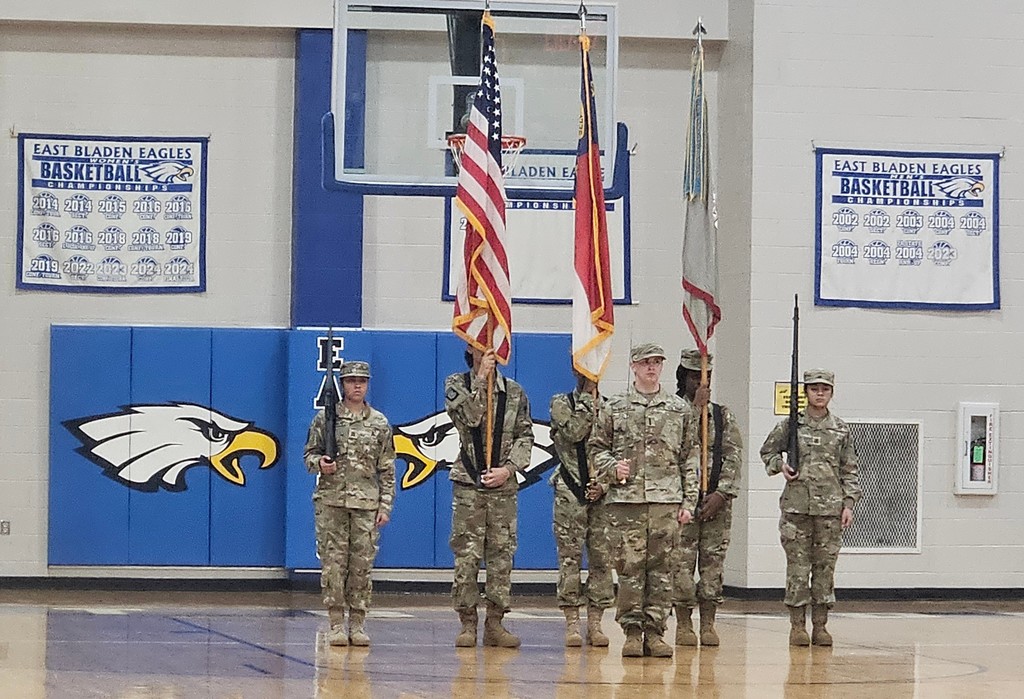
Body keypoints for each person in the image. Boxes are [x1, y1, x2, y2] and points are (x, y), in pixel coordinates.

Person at [590, 342, 699, 658]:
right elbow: (597, 450)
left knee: (662, 571)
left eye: (657, 362)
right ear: (633, 367)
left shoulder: (679, 409)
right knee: (629, 570)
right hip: (626, 502)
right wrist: (613, 467)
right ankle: (632, 632)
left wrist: (689, 502)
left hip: (666, 502)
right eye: (645, 363)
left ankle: (655, 632)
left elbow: (690, 457)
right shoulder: (615, 407)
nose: (651, 368)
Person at [760, 369, 861, 647]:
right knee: (797, 569)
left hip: (829, 510)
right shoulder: (791, 425)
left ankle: (820, 625)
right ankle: (797, 626)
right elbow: (767, 451)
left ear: (831, 393)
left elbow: (849, 470)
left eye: (825, 389)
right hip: (797, 510)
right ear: (806, 392)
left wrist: (849, 504)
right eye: (814, 388)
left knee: (825, 569)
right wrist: (781, 466)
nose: (820, 393)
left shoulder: (840, 429)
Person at [445, 345, 535, 648]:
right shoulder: (456, 385)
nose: (488, 352)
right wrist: (481, 378)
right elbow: (468, 418)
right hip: (469, 485)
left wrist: (509, 470)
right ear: (470, 348)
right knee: (467, 557)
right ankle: (467, 623)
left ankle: (495, 622)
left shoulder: (514, 391)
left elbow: (525, 435)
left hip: (503, 488)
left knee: (501, 556)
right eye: (480, 347)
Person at [303, 360, 396, 647]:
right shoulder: (325, 419)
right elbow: (308, 456)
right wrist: (321, 463)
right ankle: (335, 623)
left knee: (361, 566)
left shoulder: (379, 423)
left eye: (362, 381)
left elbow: (388, 468)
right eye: (351, 380)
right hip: (331, 503)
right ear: (342, 385)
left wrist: (385, 505)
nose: (357, 385)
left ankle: (357, 623)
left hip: (366, 505)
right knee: (333, 565)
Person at [672, 349, 744, 647]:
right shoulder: (672, 410)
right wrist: (693, 411)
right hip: (682, 503)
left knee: (712, 568)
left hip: (715, 502)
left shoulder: (722, 415)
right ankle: (684, 624)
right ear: (683, 378)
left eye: (707, 376)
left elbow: (733, 455)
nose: (702, 383)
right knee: (682, 568)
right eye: (695, 376)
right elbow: (668, 451)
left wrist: (722, 493)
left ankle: (709, 623)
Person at [548, 368, 613, 647]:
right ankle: (572, 622)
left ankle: (596, 623)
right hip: (570, 492)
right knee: (570, 559)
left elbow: (619, 452)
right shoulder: (561, 403)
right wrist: (588, 398)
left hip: (603, 495)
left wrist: (606, 485)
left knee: (601, 560)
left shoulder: (612, 408)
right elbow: (575, 432)